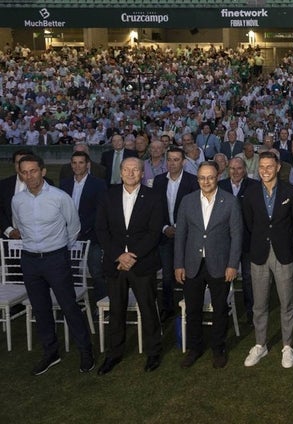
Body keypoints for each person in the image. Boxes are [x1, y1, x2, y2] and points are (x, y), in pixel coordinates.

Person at [12, 154, 95, 375]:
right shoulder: (18, 200)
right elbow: (18, 224)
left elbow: (74, 226)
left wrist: (59, 249)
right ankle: (51, 353)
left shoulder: (59, 198)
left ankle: (86, 351)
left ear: (43, 171)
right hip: (29, 261)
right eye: (25, 172)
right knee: (41, 309)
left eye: (33, 171)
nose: (29, 176)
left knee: (69, 306)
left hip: (56, 259)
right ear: (20, 174)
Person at [95, 157, 164, 375]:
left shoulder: (154, 197)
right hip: (116, 265)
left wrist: (133, 256)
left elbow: (154, 233)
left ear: (142, 173)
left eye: (135, 169)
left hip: (142, 263)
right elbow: (101, 229)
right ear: (120, 172)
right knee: (116, 310)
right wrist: (119, 256)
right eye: (126, 169)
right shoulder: (108, 195)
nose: (131, 173)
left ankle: (154, 352)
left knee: (148, 308)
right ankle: (114, 354)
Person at [174, 161, 242, 369]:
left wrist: (232, 264)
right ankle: (195, 348)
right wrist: (179, 264)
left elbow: (236, 235)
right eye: (202, 177)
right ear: (197, 179)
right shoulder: (187, 201)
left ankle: (218, 348)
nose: (206, 181)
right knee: (193, 309)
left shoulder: (229, 201)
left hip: (220, 265)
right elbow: (181, 235)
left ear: (217, 177)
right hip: (192, 264)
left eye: (210, 177)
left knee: (220, 308)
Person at [242, 152, 293, 369]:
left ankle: (287, 346)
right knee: (260, 304)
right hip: (259, 254)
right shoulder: (249, 194)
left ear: (278, 168)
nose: (265, 171)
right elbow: (249, 223)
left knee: (287, 303)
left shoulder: (291, 192)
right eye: (262, 167)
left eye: (269, 166)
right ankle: (260, 344)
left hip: (283, 253)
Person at [152, 147, 199, 322]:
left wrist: (179, 227)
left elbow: (195, 208)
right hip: (165, 235)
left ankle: (190, 306)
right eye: (170, 160)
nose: (172, 163)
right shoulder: (158, 181)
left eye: (176, 160)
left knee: (188, 272)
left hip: (186, 235)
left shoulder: (192, 181)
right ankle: (167, 307)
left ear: (183, 162)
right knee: (166, 274)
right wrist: (164, 227)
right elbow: (155, 209)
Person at [60, 151, 109, 303]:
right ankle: (73, 302)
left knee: (96, 271)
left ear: (87, 164)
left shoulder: (98, 184)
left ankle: (101, 302)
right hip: (68, 236)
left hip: (91, 235)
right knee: (69, 271)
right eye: (74, 162)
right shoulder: (65, 183)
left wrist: (81, 228)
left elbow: (100, 210)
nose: (77, 166)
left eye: (81, 162)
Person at [219, 157, 260, 322]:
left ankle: (251, 311)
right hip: (224, 240)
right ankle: (223, 309)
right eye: (232, 168)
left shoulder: (254, 186)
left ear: (245, 170)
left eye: (239, 168)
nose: (235, 172)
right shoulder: (220, 186)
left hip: (247, 240)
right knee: (222, 276)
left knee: (249, 278)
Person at [1, 148, 35, 239]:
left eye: (24, 162)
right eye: (17, 162)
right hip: (9, 237)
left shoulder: (45, 183)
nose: (21, 166)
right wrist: (9, 231)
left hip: (36, 239)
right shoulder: (3, 185)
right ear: (14, 164)